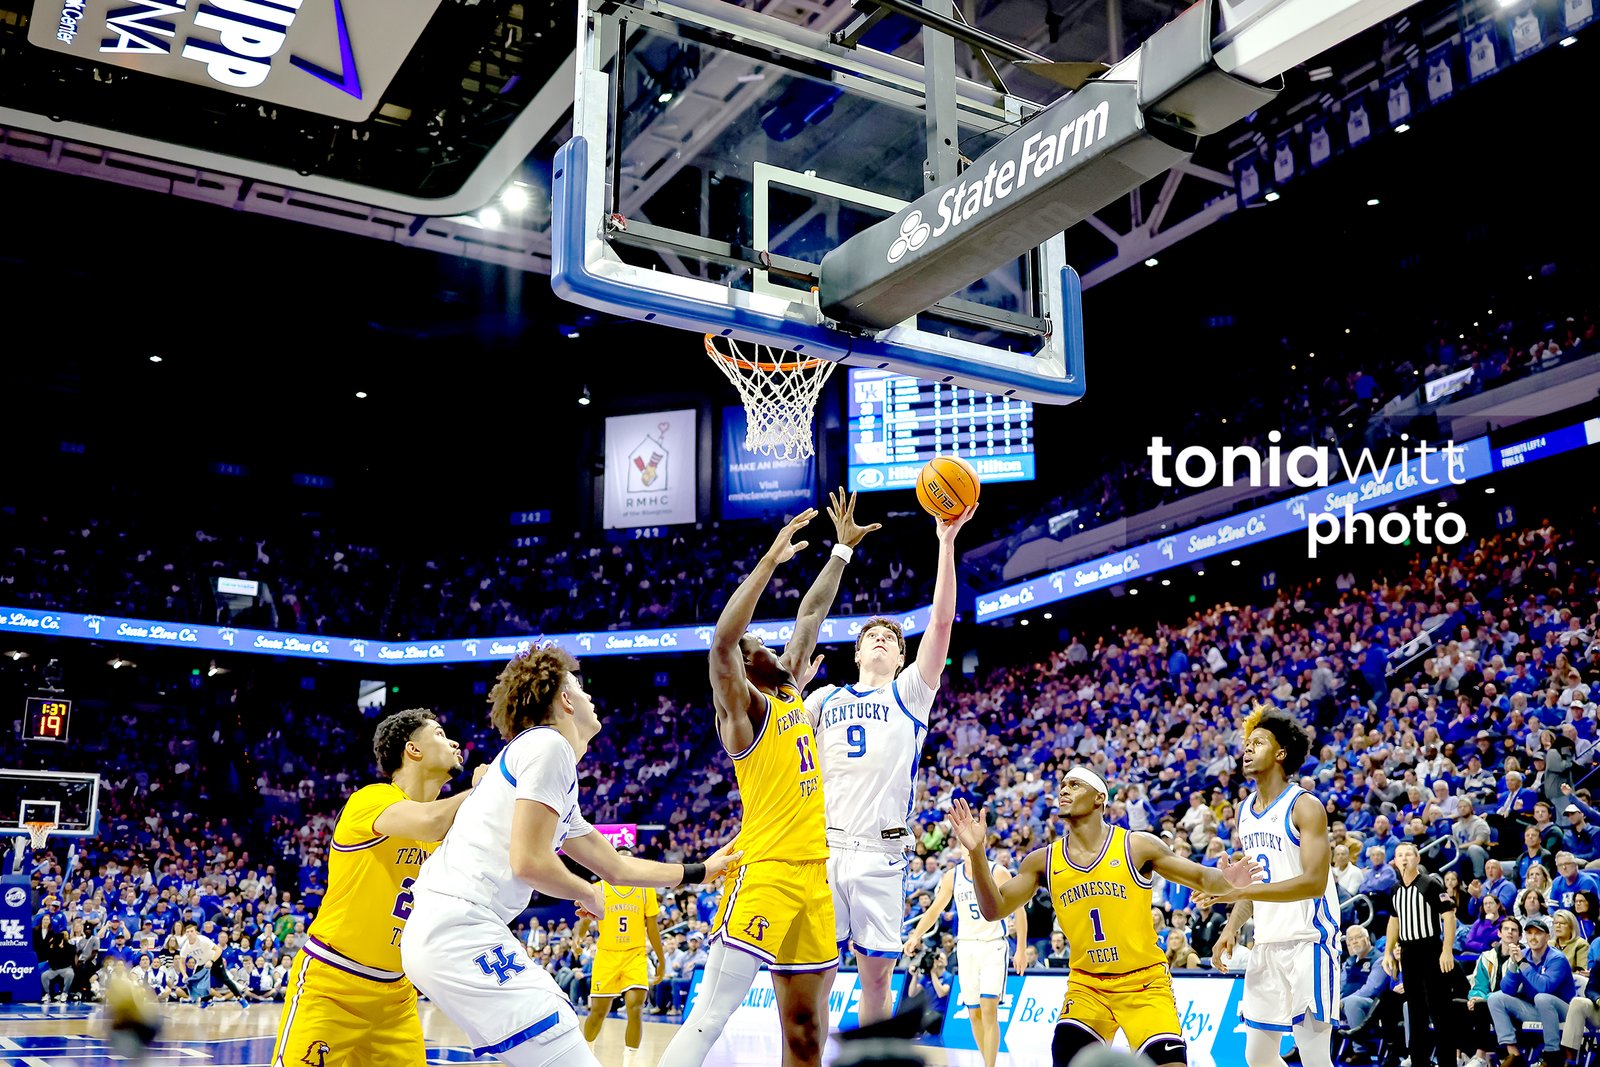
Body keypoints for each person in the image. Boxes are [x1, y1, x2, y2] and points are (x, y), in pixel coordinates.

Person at [402, 648, 737, 1067]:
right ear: (564, 700)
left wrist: (699, 871)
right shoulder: (548, 745)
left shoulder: (547, 765)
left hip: (451, 929)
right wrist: (588, 893)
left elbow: (616, 866)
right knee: (560, 1035)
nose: (589, 696)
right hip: (456, 927)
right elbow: (529, 861)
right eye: (580, 687)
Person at [661, 499, 878, 1067]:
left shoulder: (790, 691)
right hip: (766, 873)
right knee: (711, 1017)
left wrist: (841, 551)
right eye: (758, 647)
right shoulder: (745, 711)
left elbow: (811, 616)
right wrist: (769, 562)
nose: (771, 648)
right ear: (746, 668)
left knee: (806, 1031)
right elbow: (722, 642)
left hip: (814, 877)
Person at [948, 767, 1260, 1067]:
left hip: (1143, 982)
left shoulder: (1136, 845)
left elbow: (1203, 877)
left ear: (1099, 798)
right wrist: (977, 853)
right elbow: (994, 909)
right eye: (1062, 785)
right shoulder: (1042, 860)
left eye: (1074, 785)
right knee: (1068, 1056)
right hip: (1087, 986)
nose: (1064, 790)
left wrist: (1230, 880)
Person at [805, 498, 968, 1024]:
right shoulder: (822, 699)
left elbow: (940, 622)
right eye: (871, 636)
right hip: (825, 847)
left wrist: (945, 543)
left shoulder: (910, 693)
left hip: (881, 852)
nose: (881, 639)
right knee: (817, 976)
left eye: (891, 638)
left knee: (876, 978)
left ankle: (872, 1058)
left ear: (901, 657)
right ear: (857, 653)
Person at [271, 708, 481, 1067]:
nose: (455, 743)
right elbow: (429, 822)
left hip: (397, 995)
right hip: (333, 983)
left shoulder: (448, 831)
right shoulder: (372, 799)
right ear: (413, 749)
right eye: (440, 734)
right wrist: (484, 790)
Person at [1208, 707, 1343, 1067]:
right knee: (1258, 1056)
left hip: (1309, 941)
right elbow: (1254, 881)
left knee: (1315, 1057)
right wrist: (1231, 927)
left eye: (1258, 743)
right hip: (1266, 942)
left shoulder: (1305, 806)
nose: (1247, 749)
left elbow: (1313, 883)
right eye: (1246, 744)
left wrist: (1239, 893)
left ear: (1281, 753)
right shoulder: (1244, 811)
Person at [901, 809, 1027, 1067]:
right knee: (974, 1014)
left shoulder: (998, 871)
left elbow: (1020, 910)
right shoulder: (952, 876)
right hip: (966, 947)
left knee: (989, 1008)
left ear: (982, 841)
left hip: (993, 946)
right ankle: (985, 1061)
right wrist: (915, 936)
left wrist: (1021, 949)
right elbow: (934, 910)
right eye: (962, 841)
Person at [575, 861, 666, 1067]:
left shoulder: (645, 889)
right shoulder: (598, 888)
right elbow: (586, 920)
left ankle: (629, 1063)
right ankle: (586, 1056)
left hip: (635, 954)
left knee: (635, 1008)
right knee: (598, 1013)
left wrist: (661, 959)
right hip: (607, 956)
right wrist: (578, 939)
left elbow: (652, 928)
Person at [1379, 842, 1459, 1067]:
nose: (1404, 859)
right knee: (1415, 1013)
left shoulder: (1430, 884)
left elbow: (1449, 916)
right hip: (1408, 953)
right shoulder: (1395, 890)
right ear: (1394, 861)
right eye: (1400, 855)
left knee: (1440, 1011)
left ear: (1417, 859)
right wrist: (1388, 952)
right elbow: (1394, 921)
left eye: (1408, 854)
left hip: (1431, 949)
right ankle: (1419, 1062)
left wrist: (1446, 950)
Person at [1486, 915, 1575, 1067]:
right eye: (1529, 933)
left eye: (1538, 933)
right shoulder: (1524, 955)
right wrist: (1513, 964)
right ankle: (1513, 1054)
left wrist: (1522, 963)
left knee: (1542, 998)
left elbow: (1545, 987)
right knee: (1495, 998)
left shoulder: (1557, 958)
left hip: (1563, 1012)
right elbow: (1507, 990)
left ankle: (1552, 1054)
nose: (1533, 937)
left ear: (1548, 937)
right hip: (1535, 1009)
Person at [1463, 916, 1524, 1067]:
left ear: (1520, 936)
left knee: (1482, 1006)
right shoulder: (1486, 956)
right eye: (1506, 929)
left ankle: (1481, 1056)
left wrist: (1484, 999)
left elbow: (1517, 989)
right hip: (1485, 1001)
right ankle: (1458, 1055)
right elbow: (1479, 985)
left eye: (1514, 930)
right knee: (1456, 1005)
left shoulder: (1523, 957)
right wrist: (1475, 997)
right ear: (1499, 933)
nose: (1510, 932)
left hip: (1511, 1004)